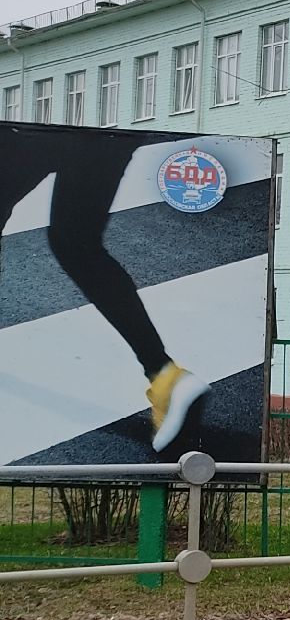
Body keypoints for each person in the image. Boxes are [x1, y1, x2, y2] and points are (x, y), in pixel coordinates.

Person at [0, 127, 209, 450]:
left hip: (28, 130)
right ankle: (166, 376)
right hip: (106, 132)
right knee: (76, 242)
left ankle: (166, 377)